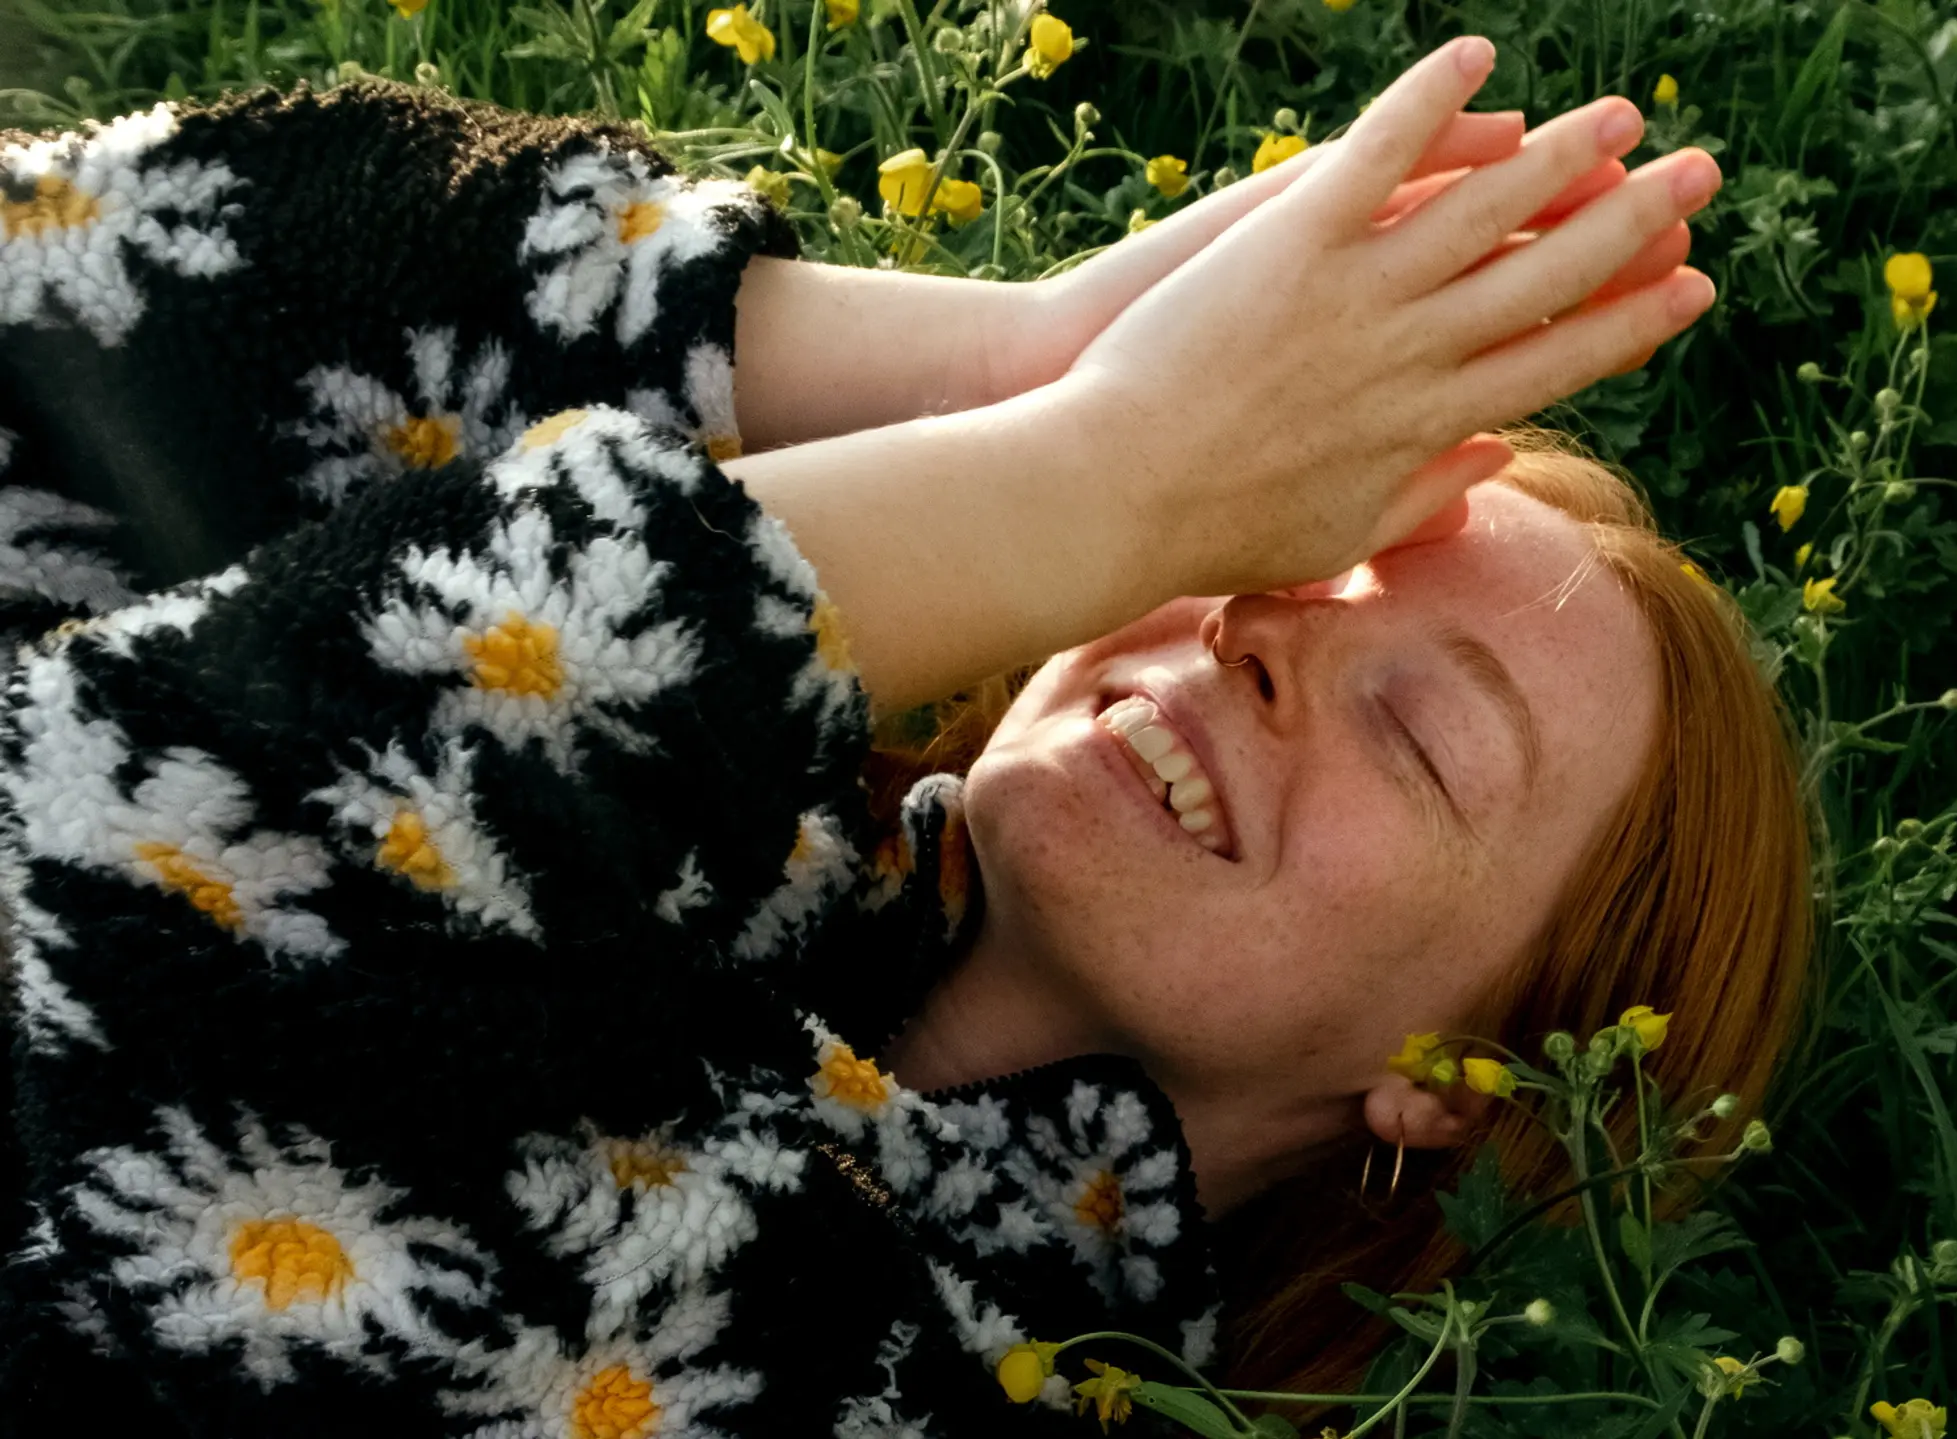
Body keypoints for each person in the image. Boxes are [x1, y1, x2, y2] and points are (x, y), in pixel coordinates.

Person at [0, 32, 1811, 1434]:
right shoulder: (753, 828)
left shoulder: (955, 1379)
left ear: (1468, 1079)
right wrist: (1006, 369)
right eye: (1260, 552)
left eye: (1416, 729)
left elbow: (129, 850)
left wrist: (1092, 482)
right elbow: (70, 281)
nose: (1242, 634)